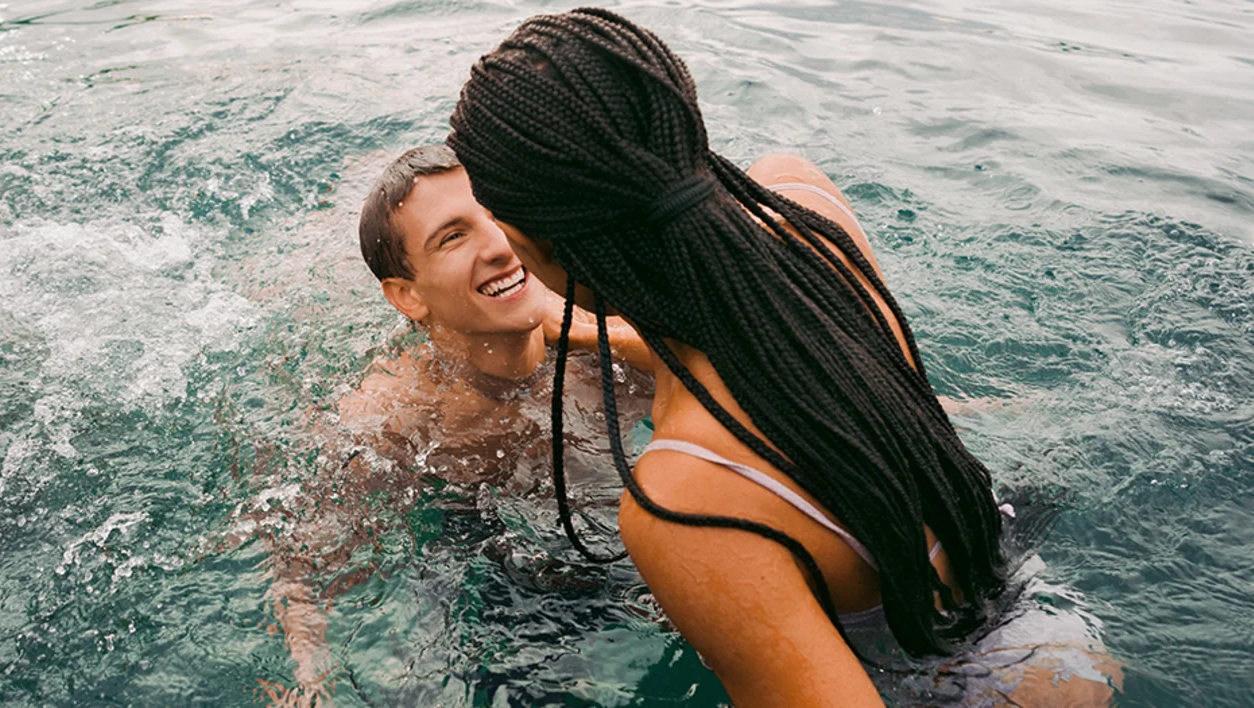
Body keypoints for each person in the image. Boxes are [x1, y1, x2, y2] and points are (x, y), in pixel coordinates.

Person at [447, 8, 1120, 707]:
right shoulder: (807, 211)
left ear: (535, 245)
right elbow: (742, 321)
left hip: (960, 692)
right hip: (1052, 627)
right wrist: (592, 331)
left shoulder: (683, 497)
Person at [249, 145, 653, 705]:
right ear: (407, 296)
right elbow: (301, 563)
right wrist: (308, 676)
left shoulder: (601, 328)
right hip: (464, 543)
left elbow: (734, 361)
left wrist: (583, 332)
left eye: (495, 214)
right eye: (454, 236)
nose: (499, 245)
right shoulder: (394, 417)